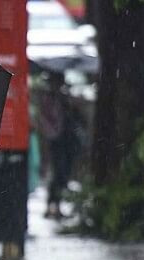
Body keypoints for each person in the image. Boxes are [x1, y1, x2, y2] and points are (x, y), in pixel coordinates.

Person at [37, 72, 81, 219]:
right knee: (58, 172)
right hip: (55, 139)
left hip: (66, 140)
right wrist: (52, 132)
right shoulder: (48, 98)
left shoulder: (64, 98)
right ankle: (52, 204)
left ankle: (57, 204)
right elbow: (44, 120)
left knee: (63, 173)